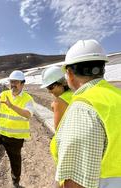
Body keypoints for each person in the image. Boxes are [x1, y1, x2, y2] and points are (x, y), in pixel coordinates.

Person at [52, 39, 121, 188]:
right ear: (102, 68)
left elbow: (76, 181)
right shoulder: (117, 96)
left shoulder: (83, 109)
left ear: (69, 74)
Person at [0, 70, 34, 187]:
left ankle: (15, 182)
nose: (13, 85)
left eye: (16, 82)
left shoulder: (27, 99)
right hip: (0, 133)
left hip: (15, 138)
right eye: (11, 82)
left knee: (15, 162)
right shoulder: (4, 94)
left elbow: (28, 114)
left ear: (22, 84)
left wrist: (11, 106)